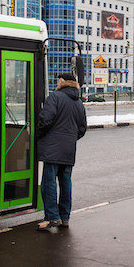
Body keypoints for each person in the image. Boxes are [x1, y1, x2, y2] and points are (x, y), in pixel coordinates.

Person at [37, 73, 88, 230]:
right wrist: (70, 138)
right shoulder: (79, 103)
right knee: (65, 182)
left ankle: (52, 217)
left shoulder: (55, 97)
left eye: (59, 80)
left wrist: (39, 135)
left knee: (49, 182)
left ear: (64, 82)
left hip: (52, 147)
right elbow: (82, 129)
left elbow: (45, 120)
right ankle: (65, 217)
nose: (57, 83)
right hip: (68, 148)